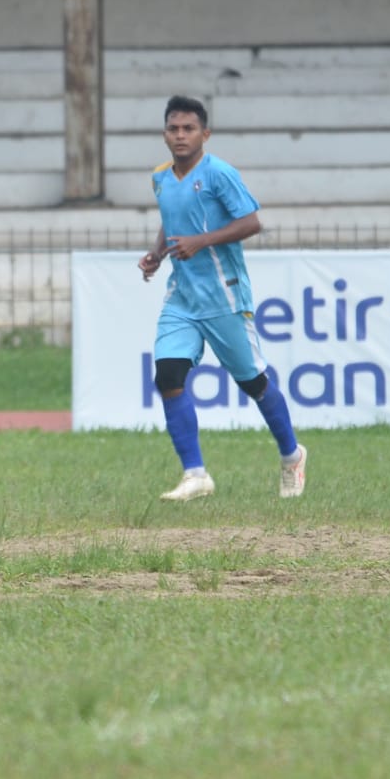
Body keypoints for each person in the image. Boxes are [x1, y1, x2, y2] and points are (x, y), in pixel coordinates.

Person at [139, 95, 306, 501]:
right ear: (165, 134)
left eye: (189, 129)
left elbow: (251, 222)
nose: (181, 135)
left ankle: (292, 455)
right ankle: (196, 474)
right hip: (182, 297)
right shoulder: (161, 177)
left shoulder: (219, 174)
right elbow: (170, 219)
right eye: (174, 129)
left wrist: (201, 242)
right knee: (168, 376)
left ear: (204, 134)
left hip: (224, 295)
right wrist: (157, 254)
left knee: (253, 382)